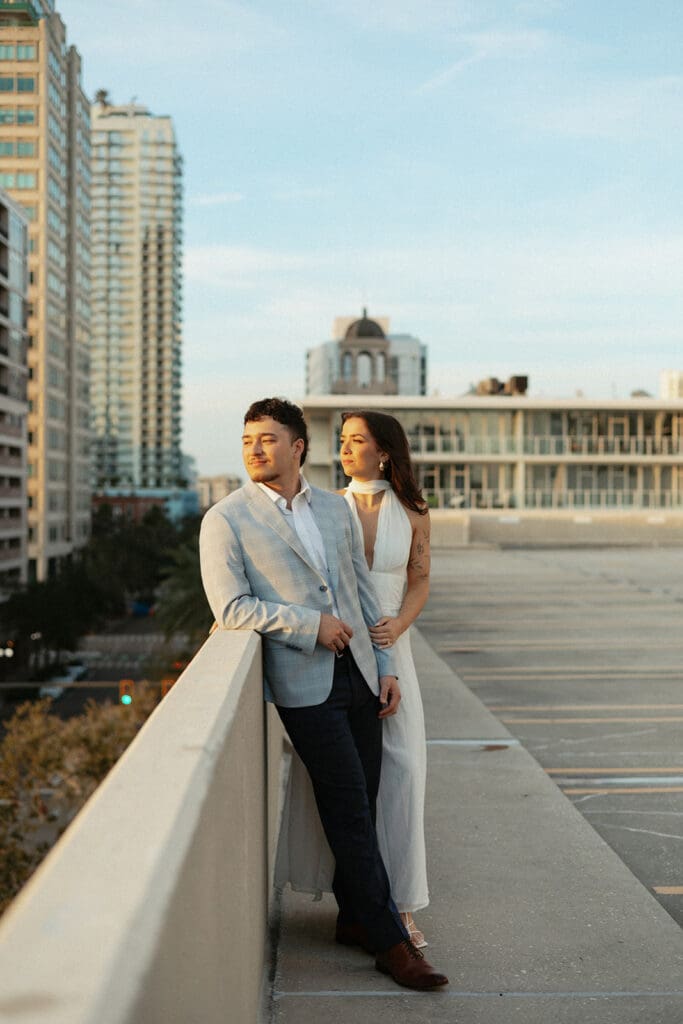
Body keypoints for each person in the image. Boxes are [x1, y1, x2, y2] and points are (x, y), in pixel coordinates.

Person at [199, 397, 448, 991]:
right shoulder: (226, 519)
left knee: (364, 793)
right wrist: (310, 626)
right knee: (349, 810)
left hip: (362, 677)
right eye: (247, 440)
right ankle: (393, 941)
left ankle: (353, 918)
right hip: (303, 684)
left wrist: (385, 664)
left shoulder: (335, 510)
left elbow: (364, 598)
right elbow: (232, 608)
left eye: (267, 439)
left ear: (297, 448)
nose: (255, 449)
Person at [275, 409, 432, 947]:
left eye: (357, 440)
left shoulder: (413, 510)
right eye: (341, 440)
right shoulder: (326, 507)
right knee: (350, 780)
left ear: (383, 450)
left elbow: (420, 582)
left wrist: (397, 628)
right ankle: (362, 902)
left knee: (403, 772)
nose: (344, 448)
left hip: (392, 647)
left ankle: (404, 905)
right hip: (341, 652)